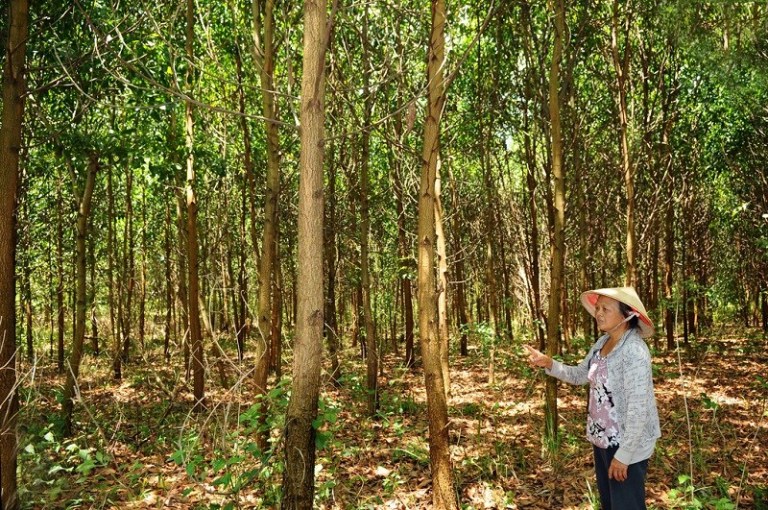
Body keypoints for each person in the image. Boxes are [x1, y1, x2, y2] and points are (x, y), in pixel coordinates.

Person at [524, 287, 661, 510]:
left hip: (627, 444)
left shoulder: (634, 351)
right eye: (597, 308)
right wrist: (549, 363)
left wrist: (624, 455)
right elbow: (579, 375)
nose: (598, 313)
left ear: (627, 315)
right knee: (610, 503)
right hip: (603, 439)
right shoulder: (602, 343)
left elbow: (639, 408)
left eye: (605, 308)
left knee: (627, 505)